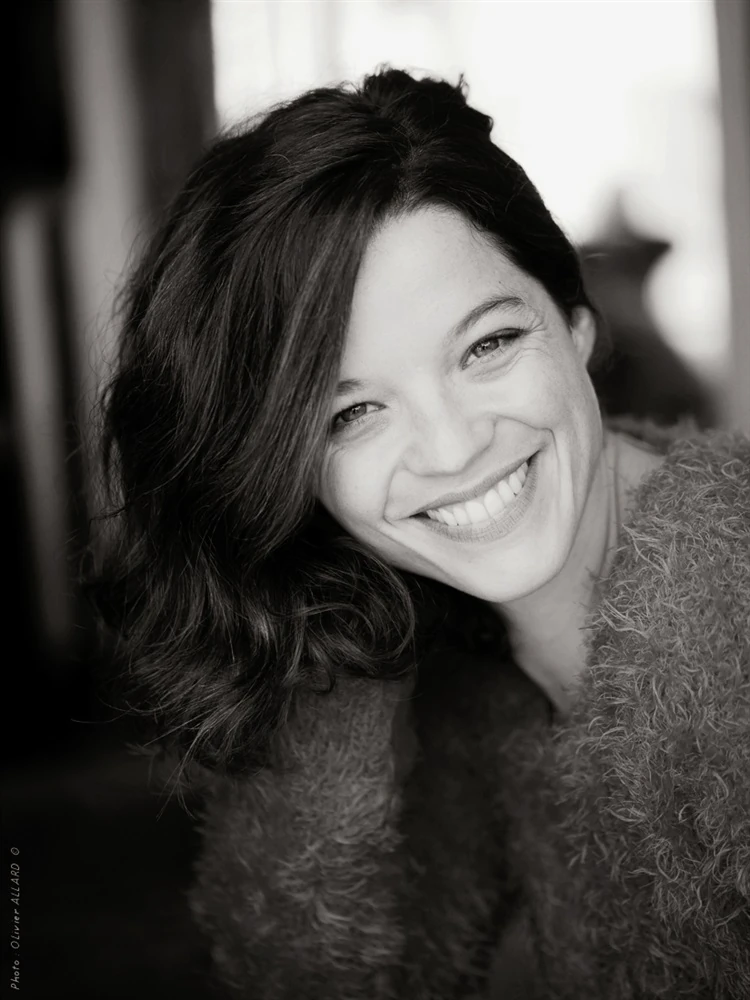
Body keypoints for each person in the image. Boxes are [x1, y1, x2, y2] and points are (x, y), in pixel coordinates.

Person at [88, 68, 750, 999]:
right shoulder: (461, 664)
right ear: (283, 469)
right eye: (351, 413)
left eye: (488, 345)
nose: (452, 449)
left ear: (576, 324)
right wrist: (325, 684)